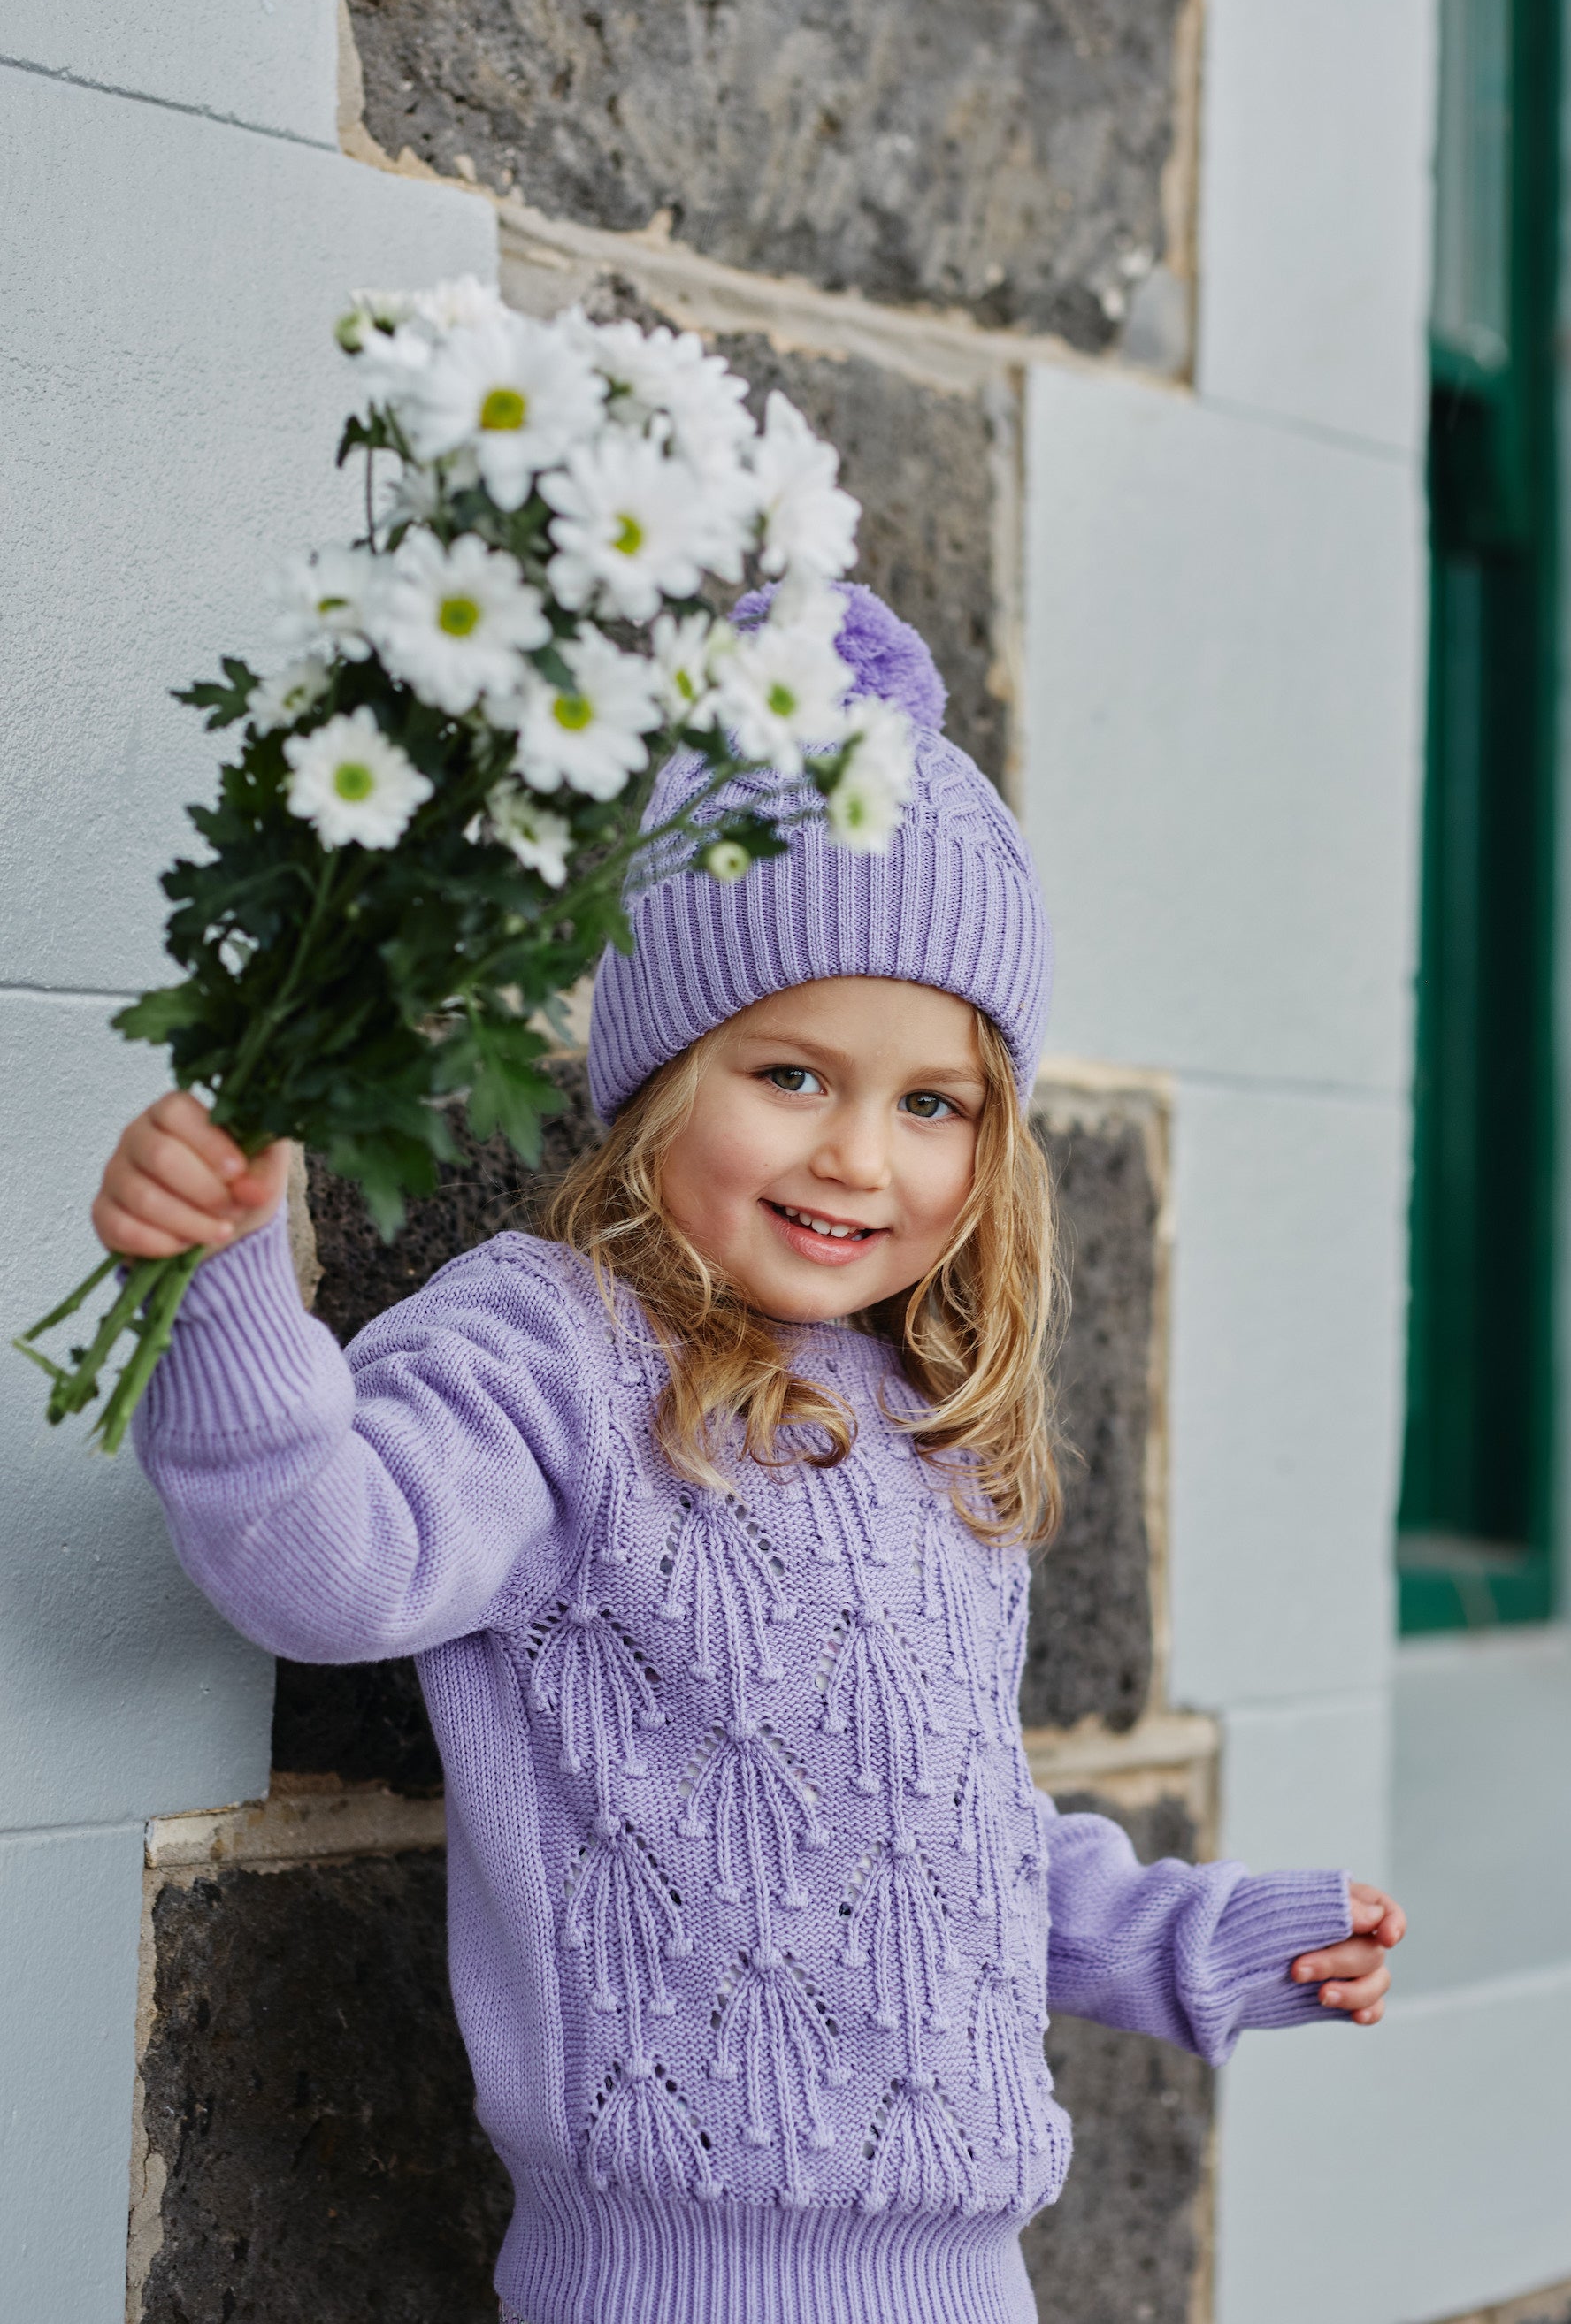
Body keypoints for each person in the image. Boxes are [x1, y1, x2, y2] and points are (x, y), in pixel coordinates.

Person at [97, 587, 1404, 2324]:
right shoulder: (556, 1354)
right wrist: (223, 1283)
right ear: (660, 1076)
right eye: (792, 1074)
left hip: (968, 2282)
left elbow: (947, 1837)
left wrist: (1188, 1945)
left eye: (931, 1102)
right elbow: (331, 1562)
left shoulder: (934, 1427)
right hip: (668, 2282)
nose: (862, 1157)